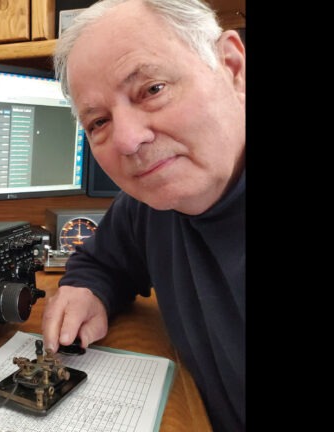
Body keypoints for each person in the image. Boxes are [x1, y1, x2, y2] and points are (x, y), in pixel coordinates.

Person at [41, 0, 245, 430]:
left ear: (231, 67)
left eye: (152, 90)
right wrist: (86, 289)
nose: (128, 140)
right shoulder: (148, 204)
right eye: (99, 122)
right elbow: (102, 262)